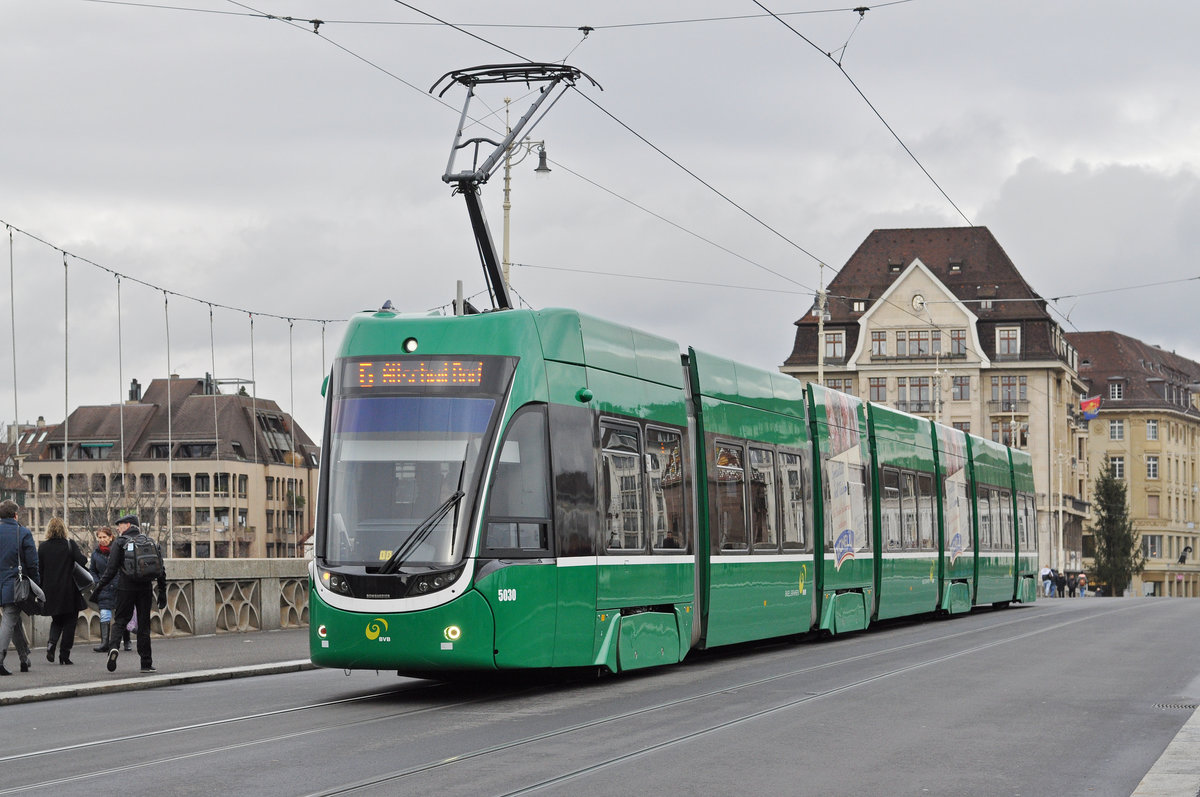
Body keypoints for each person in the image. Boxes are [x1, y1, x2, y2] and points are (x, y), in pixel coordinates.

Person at [91, 514, 166, 674]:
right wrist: (162, 591)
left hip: (125, 588)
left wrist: (98, 588)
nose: (118, 528)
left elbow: (110, 570)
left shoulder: (120, 543)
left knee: (120, 620)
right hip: (145, 588)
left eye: (120, 525)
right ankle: (146, 663)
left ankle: (113, 648)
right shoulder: (149, 541)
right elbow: (160, 569)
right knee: (144, 625)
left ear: (128, 525)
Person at [38, 516, 88, 664]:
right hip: (69, 590)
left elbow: (39, 570)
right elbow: (82, 561)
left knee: (57, 620)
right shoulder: (69, 545)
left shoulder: (43, 547)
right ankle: (64, 656)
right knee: (70, 623)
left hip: (50, 591)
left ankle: (51, 644)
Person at [0, 499, 38, 676]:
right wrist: (36, 584)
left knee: (14, 620)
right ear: (16, 515)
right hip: (14, 584)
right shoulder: (22, 532)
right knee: (9, 619)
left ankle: (24, 658)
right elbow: (32, 562)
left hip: (2, 583)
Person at [89, 526, 118, 653]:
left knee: (121, 615)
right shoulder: (95, 554)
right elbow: (92, 570)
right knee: (105, 614)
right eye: (99, 537)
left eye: (104, 537)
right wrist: (97, 582)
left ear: (111, 537)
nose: (102, 540)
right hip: (103, 587)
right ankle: (104, 642)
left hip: (118, 587)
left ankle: (126, 641)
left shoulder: (118, 550)